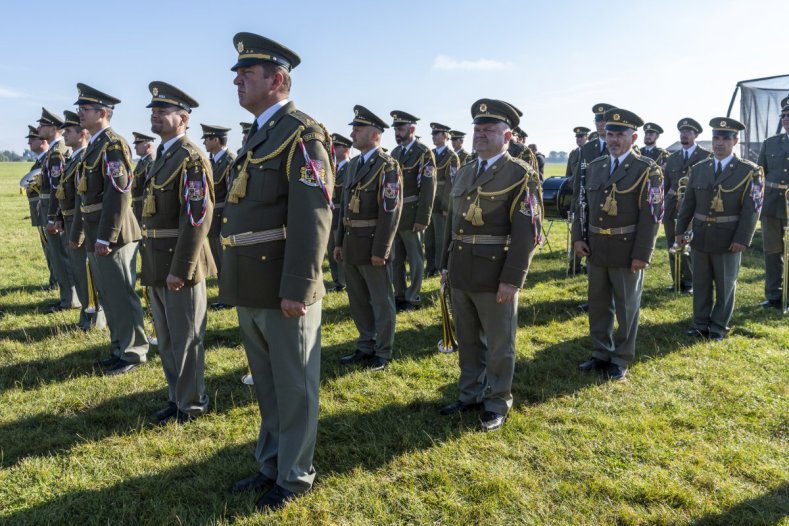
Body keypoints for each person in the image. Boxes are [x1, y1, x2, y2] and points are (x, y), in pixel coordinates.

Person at [220, 32, 333, 511]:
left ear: (278, 79)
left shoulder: (303, 133)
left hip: (283, 286)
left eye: (248, 73)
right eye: (238, 73)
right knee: (267, 384)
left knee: (294, 386)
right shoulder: (261, 133)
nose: (238, 80)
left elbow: (313, 217)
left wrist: (300, 287)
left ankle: (295, 475)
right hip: (252, 282)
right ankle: (271, 462)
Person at [438, 99, 542, 431]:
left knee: (499, 344)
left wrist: (512, 280)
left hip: (496, 272)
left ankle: (497, 401)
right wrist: (444, 266)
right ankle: (470, 394)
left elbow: (527, 234)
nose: (480, 135)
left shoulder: (519, 173)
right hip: (461, 269)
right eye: (477, 129)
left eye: (489, 130)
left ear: (507, 135)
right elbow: (451, 224)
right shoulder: (466, 170)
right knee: (468, 339)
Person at [140, 82, 215, 424]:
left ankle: (192, 403)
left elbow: (196, 216)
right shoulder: (164, 155)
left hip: (178, 261)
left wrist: (181, 268)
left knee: (186, 338)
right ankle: (177, 398)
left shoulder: (190, 157)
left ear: (183, 118)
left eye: (163, 111)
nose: (155, 115)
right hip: (158, 258)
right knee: (168, 338)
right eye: (153, 111)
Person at [573, 108, 663, 381]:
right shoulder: (596, 165)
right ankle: (601, 352)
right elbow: (581, 205)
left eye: (620, 135)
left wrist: (642, 254)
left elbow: (652, 216)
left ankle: (621, 358)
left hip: (627, 249)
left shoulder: (647, 169)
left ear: (633, 137)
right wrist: (578, 236)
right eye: (610, 134)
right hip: (596, 247)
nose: (613, 140)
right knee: (598, 304)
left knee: (626, 308)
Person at [69, 83, 149, 375]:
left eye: (84, 109)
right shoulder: (96, 145)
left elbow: (119, 193)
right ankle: (119, 347)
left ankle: (134, 351)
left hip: (112, 234)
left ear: (102, 113)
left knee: (121, 294)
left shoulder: (113, 145)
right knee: (108, 294)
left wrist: (106, 236)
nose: (80, 114)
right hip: (97, 231)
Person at [677, 117, 762, 340]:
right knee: (701, 283)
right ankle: (700, 324)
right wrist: (679, 230)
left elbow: (752, 210)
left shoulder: (749, 171)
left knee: (725, 286)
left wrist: (742, 238)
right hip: (700, 236)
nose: (719, 143)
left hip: (728, 237)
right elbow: (688, 204)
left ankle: (718, 328)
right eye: (716, 138)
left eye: (725, 138)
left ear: (735, 140)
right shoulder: (699, 169)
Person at [335, 106, 402, 371]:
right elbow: (343, 206)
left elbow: (390, 210)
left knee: (381, 300)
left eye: (358, 129)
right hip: (352, 241)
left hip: (373, 242)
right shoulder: (352, 165)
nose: (353, 133)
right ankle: (365, 344)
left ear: (374, 134)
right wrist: (339, 242)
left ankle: (383, 351)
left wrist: (382, 249)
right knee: (359, 299)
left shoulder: (388, 166)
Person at [50, 110, 107, 331]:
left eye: (69, 131)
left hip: (81, 224)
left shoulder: (84, 159)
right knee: (78, 273)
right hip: (71, 222)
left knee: (87, 276)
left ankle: (94, 319)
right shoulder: (73, 160)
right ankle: (87, 315)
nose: (64, 135)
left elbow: (82, 199)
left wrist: (77, 231)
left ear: (82, 134)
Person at [390, 111, 436, 311]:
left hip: (413, 213)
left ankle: (414, 296)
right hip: (396, 215)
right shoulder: (395, 153)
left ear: (412, 129)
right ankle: (399, 294)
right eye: (396, 129)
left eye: (400, 129)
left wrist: (423, 217)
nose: (397, 133)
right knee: (395, 258)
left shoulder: (423, 152)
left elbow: (428, 187)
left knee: (415, 259)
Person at [661, 118, 711, 293]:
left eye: (688, 132)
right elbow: (665, 184)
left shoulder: (705, 156)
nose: (684, 135)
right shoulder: (672, 158)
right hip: (672, 205)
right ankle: (676, 280)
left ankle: (691, 281)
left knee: (690, 242)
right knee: (672, 242)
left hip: (693, 206)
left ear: (695, 135)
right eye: (682, 132)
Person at [38, 107, 79, 312]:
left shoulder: (56, 154)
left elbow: (57, 188)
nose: (38, 128)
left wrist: (54, 216)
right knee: (58, 256)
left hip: (55, 210)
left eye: (42, 125)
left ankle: (70, 299)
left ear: (53, 128)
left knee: (61, 256)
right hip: (51, 208)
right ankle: (67, 297)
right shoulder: (55, 152)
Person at [756, 95, 789, 309]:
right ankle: (773, 294)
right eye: (783, 115)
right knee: (772, 251)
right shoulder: (770, 143)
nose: (786, 118)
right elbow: (760, 175)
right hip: (771, 204)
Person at [200, 123, 236, 298]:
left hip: (224, 217)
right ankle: (225, 294)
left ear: (216, 139)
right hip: (213, 217)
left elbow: (232, 193)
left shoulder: (229, 161)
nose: (204, 143)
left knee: (225, 259)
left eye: (207, 139)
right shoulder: (212, 161)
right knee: (218, 258)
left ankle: (229, 296)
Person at [425, 122, 459, 277]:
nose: (433, 137)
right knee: (429, 238)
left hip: (441, 203)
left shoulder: (452, 156)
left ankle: (439, 266)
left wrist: (447, 206)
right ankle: (430, 265)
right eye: (432, 134)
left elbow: (452, 182)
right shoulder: (430, 154)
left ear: (445, 136)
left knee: (440, 238)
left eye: (437, 134)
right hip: (429, 202)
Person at [24, 126, 55, 289]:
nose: (29, 142)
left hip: (47, 211)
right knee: (48, 248)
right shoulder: (40, 161)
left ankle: (56, 281)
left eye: (32, 138)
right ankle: (55, 280)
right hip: (40, 211)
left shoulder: (48, 159)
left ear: (43, 141)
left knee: (53, 249)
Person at [328, 132, 352, 292]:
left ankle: (343, 281)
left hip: (341, 214)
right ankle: (337, 280)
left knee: (340, 250)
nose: (333, 149)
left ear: (346, 149)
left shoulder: (351, 167)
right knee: (331, 251)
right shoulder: (332, 168)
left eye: (336, 146)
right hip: (329, 214)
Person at [565, 126, 590, 276]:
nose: (579, 139)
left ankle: (589, 265)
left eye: (581, 136)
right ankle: (574, 266)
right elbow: (568, 176)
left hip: (589, 196)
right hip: (576, 197)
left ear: (586, 137)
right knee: (576, 233)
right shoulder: (574, 153)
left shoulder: (589, 151)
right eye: (577, 137)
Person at [131, 132, 156, 225]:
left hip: (145, 207)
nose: (135, 147)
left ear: (148, 145)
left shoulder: (151, 162)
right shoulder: (142, 162)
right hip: (138, 206)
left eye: (138, 144)